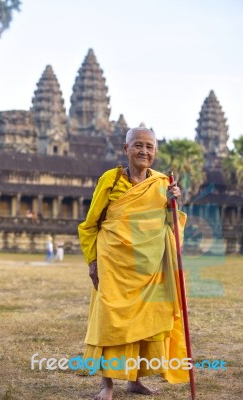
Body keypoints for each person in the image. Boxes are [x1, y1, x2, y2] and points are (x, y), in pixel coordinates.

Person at [78, 127, 189, 400]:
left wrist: (175, 203)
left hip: (149, 266)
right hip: (113, 263)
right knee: (110, 321)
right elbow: (91, 224)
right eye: (138, 145)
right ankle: (108, 384)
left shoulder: (163, 184)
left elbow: (169, 226)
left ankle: (135, 380)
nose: (144, 151)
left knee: (145, 322)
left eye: (149, 147)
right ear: (125, 149)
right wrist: (92, 261)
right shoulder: (111, 180)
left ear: (155, 152)